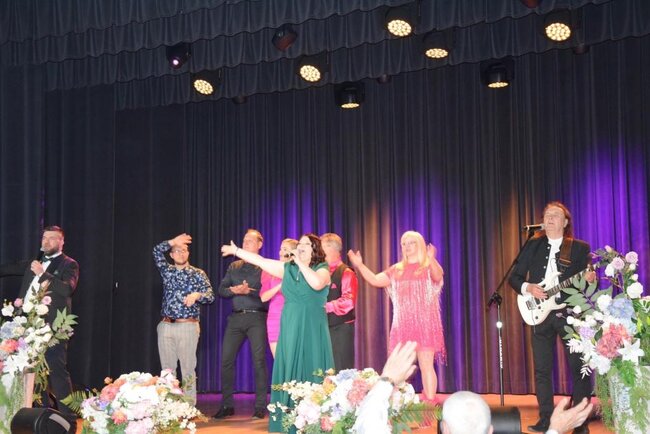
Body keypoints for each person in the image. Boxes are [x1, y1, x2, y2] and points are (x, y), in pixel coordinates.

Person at [220, 233, 334, 433]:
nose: (301, 246)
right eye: (299, 243)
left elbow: (316, 283)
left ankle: (315, 421)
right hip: (290, 324)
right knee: (289, 366)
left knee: (312, 366)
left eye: (306, 244)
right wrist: (236, 250)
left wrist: (300, 264)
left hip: (312, 326)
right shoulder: (287, 269)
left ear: (315, 249)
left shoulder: (322, 269)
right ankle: (289, 419)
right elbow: (261, 261)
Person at [509, 201, 593, 434]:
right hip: (539, 313)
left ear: (565, 222)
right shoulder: (533, 245)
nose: (549, 218)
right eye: (547, 214)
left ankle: (580, 422)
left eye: (555, 215)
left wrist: (590, 278)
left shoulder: (579, 248)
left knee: (580, 368)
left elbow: (588, 277)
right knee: (542, 369)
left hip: (569, 313)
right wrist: (528, 288)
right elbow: (514, 277)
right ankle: (546, 419)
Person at [347, 230, 445, 402]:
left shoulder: (427, 265)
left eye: (411, 243)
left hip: (425, 325)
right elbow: (375, 280)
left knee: (426, 365)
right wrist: (360, 265)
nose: (407, 246)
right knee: (399, 366)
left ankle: (430, 403)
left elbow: (438, 276)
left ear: (420, 245)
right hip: (403, 325)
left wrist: (431, 259)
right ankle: (397, 404)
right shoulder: (396, 269)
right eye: (404, 244)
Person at [0, 226, 79, 432]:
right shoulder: (34, 263)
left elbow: (67, 289)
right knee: (32, 373)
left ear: (61, 242)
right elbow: (8, 268)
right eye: (44, 237)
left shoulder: (69, 264)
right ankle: (40, 417)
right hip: (26, 327)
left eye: (52, 238)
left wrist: (43, 274)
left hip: (53, 329)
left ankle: (70, 422)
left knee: (56, 372)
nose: (46, 241)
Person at [152, 233, 214, 404]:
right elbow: (156, 251)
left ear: (188, 253)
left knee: (188, 369)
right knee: (167, 370)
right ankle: (169, 407)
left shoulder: (198, 273)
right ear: (171, 255)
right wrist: (172, 241)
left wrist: (197, 295)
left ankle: (188, 407)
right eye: (177, 251)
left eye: (184, 250)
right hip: (166, 325)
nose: (181, 253)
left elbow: (210, 296)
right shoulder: (167, 271)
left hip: (187, 325)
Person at [214, 229, 268, 420]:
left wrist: (248, 291)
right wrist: (234, 290)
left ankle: (260, 406)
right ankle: (227, 405)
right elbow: (221, 290)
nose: (246, 243)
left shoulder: (264, 266)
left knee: (259, 361)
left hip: (257, 317)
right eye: (244, 240)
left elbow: (268, 294)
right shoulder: (234, 266)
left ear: (259, 244)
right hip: (236, 318)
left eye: (250, 241)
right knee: (226, 360)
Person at [321, 233, 358, 370]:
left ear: (332, 248)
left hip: (341, 328)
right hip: (324, 326)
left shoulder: (346, 272)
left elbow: (348, 301)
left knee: (341, 367)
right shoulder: (321, 272)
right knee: (324, 368)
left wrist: (326, 306)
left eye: (322, 247)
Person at [259, 238, 298, 357]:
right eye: (280, 249)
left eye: (285, 249)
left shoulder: (299, 270)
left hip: (293, 317)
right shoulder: (269, 271)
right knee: (279, 360)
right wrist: (280, 286)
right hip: (275, 318)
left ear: (294, 252)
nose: (281, 252)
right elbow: (263, 297)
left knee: (293, 358)